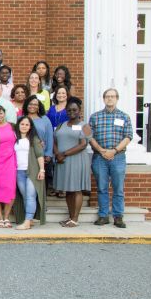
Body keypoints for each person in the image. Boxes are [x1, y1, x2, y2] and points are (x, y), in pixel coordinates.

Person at [89, 88, 132, 228]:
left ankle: (118, 216)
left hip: (118, 157)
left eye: (112, 96)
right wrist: (102, 150)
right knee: (101, 187)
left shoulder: (124, 116)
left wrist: (114, 151)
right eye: (107, 96)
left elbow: (128, 136)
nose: (110, 99)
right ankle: (103, 216)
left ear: (117, 98)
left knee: (118, 188)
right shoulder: (95, 117)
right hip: (99, 157)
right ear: (103, 99)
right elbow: (89, 136)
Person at [53, 97, 92, 228]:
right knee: (68, 190)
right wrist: (57, 153)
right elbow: (54, 140)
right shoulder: (61, 125)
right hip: (62, 161)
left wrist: (63, 154)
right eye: (69, 110)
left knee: (76, 190)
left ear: (79, 110)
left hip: (77, 160)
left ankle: (75, 219)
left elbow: (83, 145)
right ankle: (70, 217)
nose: (71, 112)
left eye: (74, 109)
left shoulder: (85, 126)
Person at [13, 117, 46, 230]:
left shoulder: (34, 139)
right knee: (25, 196)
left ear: (30, 127)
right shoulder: (14, 138)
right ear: (18, 125)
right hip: (19, 172)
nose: (24, 126)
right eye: (22, 124)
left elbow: (39, 155)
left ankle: (27, 222)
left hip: (33, 171)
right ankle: (30, 219)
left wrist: (42, 170)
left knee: (31, 196)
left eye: (27, 124)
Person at [24, 95, 55, 197]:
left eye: (35, 104)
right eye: (30, 103)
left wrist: (48, 154)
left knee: (40, 179)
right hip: (25, 154)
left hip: (40, 155)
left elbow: (49, 137)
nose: (32, 106)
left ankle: (42, 203)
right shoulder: (21, 118)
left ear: (39, 106)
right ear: (26, 105)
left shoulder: (45, 119)